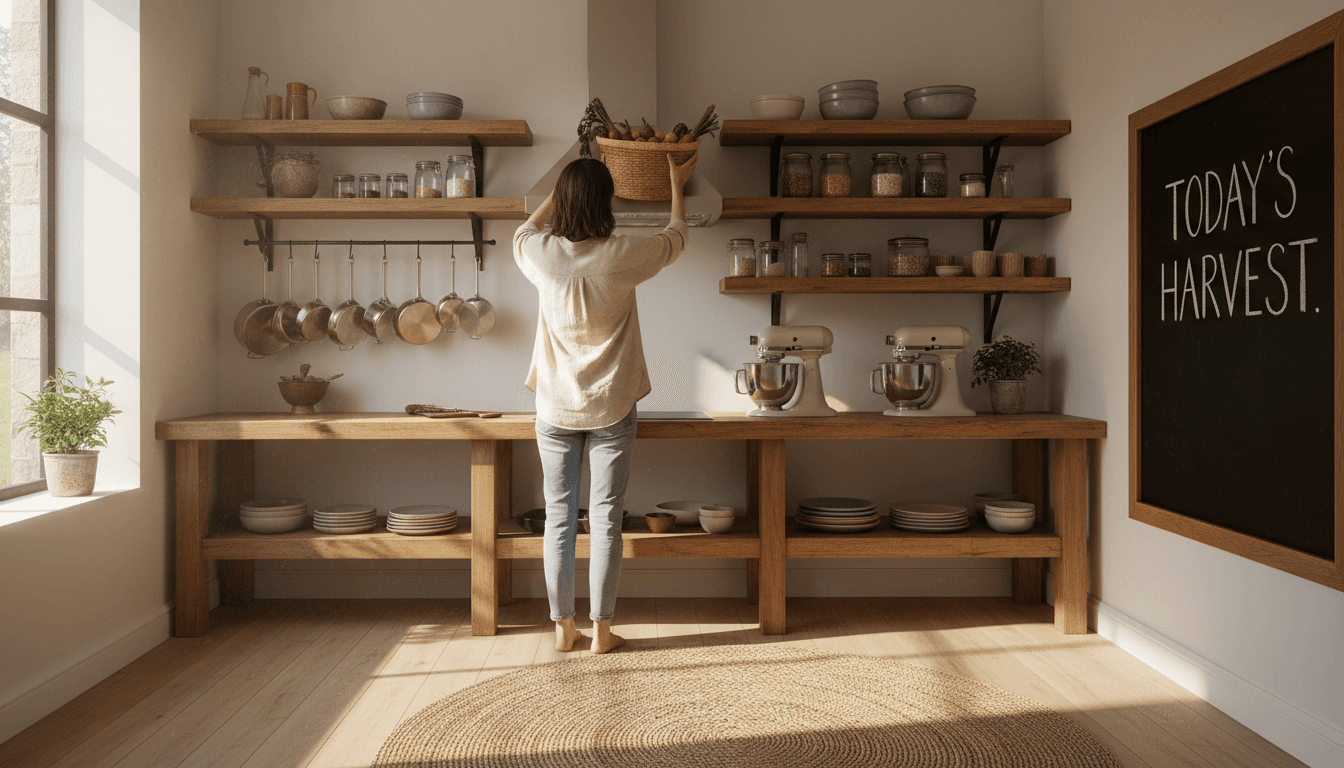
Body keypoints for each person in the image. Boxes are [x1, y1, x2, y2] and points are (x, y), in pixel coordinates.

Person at [514, 152, 697, 654]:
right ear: (608, 201)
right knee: (606, 519)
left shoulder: (543, 254)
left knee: (559, 518)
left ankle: (562, 627)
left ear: (565, 203)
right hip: (612, 404)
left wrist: (555, 193)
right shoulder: (623, 253)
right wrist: (675, 183)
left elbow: (519, 233)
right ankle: (603, 632)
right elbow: (677, 235)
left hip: (554, 406)